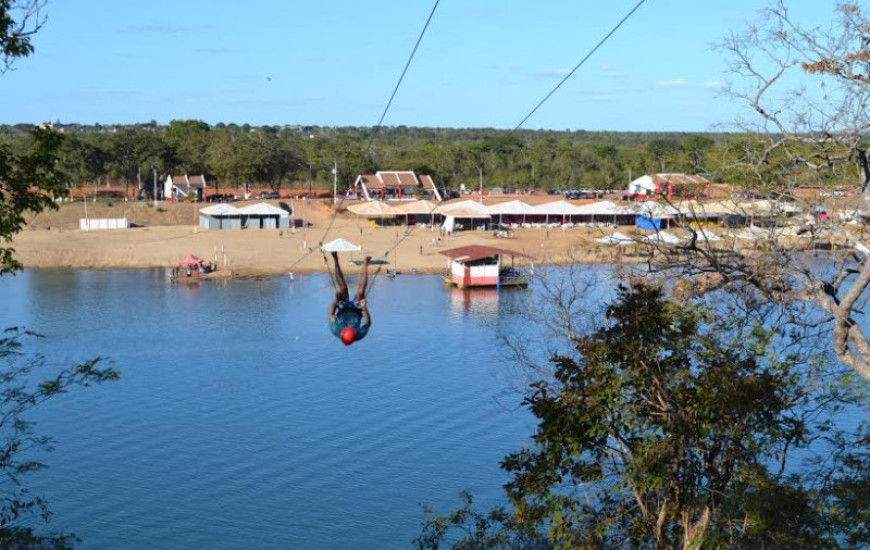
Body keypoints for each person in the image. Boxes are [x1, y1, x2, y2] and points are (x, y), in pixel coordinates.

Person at [328, 252, 372, 345]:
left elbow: (331, 314)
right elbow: (368, 323)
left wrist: (336, 300)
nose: (349, 326)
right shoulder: (359, 335)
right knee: (360, 293)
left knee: (342, 288)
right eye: (351, 328)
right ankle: (365, 265)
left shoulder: (336, 330)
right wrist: (364, 307)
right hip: (356, 311)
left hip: (343, 310)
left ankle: (335, 259)